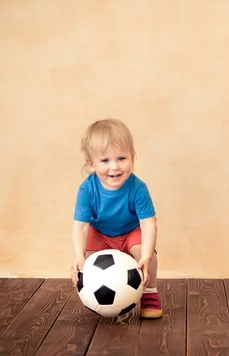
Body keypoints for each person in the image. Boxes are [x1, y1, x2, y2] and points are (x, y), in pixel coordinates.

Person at [70, 118, 162, 319]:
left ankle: (149, 293)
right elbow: (81, 226)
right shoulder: (87, 189)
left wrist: (145, 257)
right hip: (100, 233)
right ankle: (97, 298)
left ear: (132, 158)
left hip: (130, 231)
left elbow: (148, 225)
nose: (115, 167)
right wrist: (78, 255)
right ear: (91, 164)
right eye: (105, 161)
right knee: (87, 262)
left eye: (122, 158)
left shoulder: (138, 188)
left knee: (147, 255)